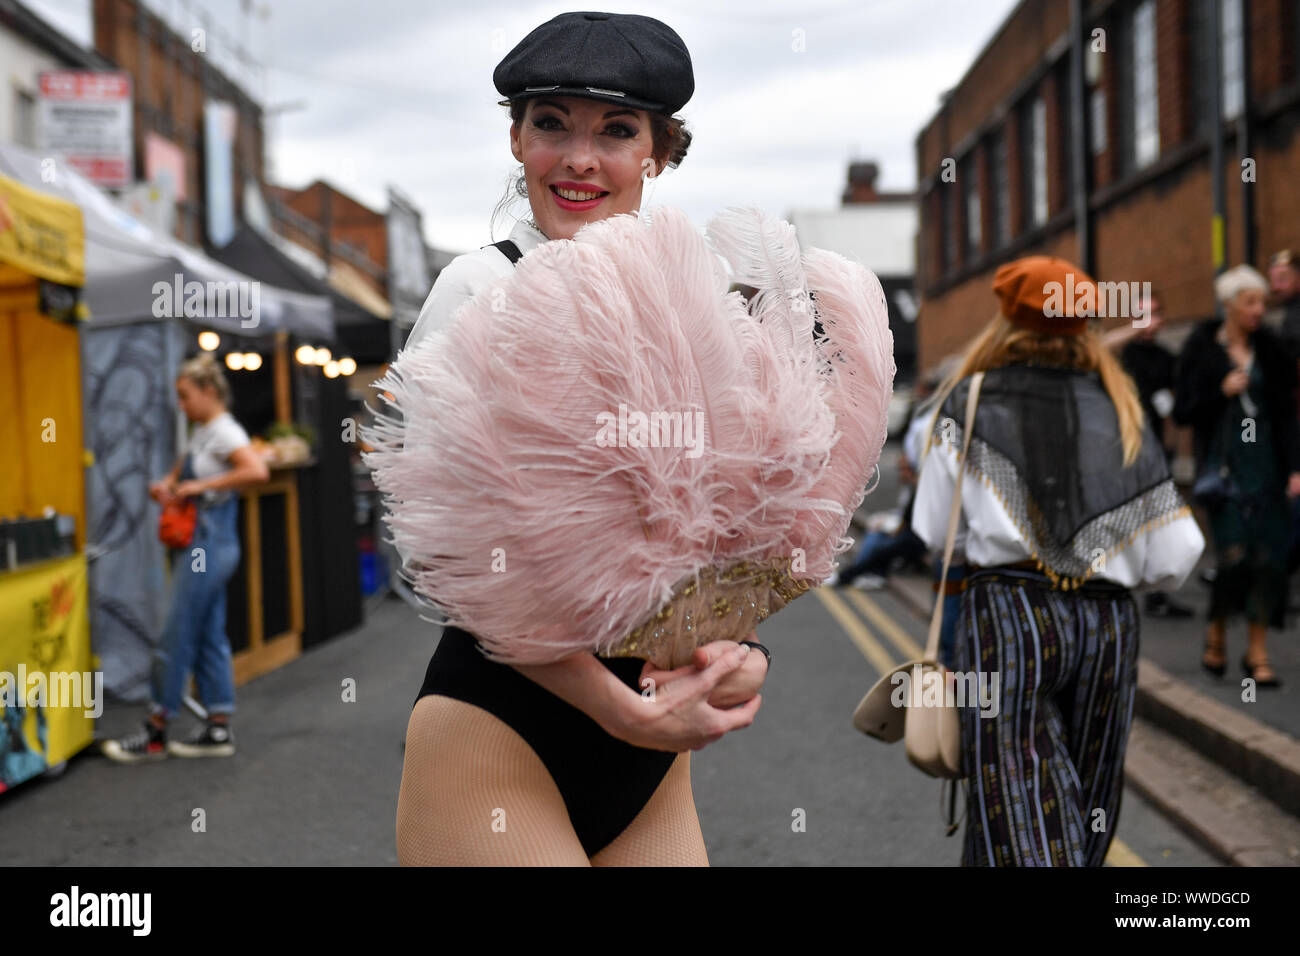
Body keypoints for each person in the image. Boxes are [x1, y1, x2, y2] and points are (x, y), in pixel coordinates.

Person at [395, 11, 770, 866]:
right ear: (518, 139)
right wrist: (615, 706)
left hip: (651, 749)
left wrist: (739, 649)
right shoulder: (480, 288)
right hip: (501, 728)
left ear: (660, 153)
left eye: (617, 131)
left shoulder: (704, 294)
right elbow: (440, 560)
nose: (578, 159)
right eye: (550, 124)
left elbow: (740, 521)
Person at [912, 256, 1204, 866]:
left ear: (1007, 319)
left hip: (1007, 616)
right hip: (1108, 624)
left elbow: (934, 533)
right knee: (1089, 796)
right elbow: (1178, 554)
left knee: (1012, 797)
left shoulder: (970, 400)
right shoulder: (1119, 406)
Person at [103, 355, 269, 762]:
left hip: (207, 546)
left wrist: (200, 486)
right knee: (210, 635)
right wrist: (168, 488)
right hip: (202, 544)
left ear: (209, 392)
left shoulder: (225, 432)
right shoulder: (202, 432)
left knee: (174, 633)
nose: (181, 405)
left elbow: (257, 472)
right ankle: (217, 727)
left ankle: (157, 727)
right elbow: (179, 480)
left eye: (185, 396)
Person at [1173, 265, 1300, 688]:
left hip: (1266, 466)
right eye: (1250, 302)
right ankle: (1217, 630)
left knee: (1269, 560)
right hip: (1224, 471)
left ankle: (1257, 651)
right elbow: (1184, 410)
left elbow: (1286, 414)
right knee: (1233, 558)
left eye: (1262, 302)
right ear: (1229, 305)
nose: (1259, 311)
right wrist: (1219, 391)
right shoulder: (1203, 347)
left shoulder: (1270, 349)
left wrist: (1295, 466)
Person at [1102, 291, 1193, 618]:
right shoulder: (1122, 352)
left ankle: (1157, 595)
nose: (1151, 320)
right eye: (1144, 313)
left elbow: (1174, 406)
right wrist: (1134, 327)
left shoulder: (1166, 358)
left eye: (1155, 313)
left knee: (1157, 524)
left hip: (1154, 453)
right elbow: (1101, 348)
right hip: (1121, 451)